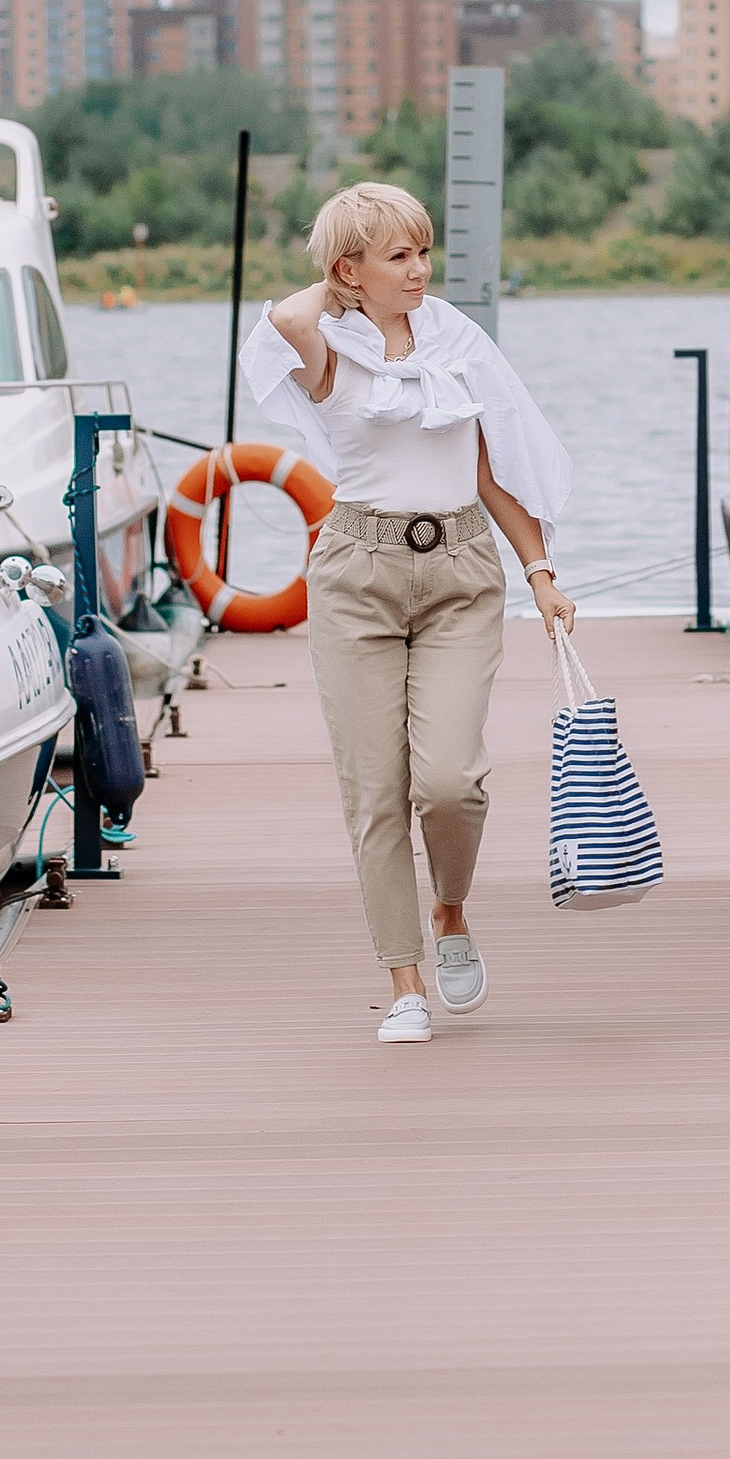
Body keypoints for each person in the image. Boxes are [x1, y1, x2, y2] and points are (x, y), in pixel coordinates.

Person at [237, 180, 575, 1045]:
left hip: (463, 568)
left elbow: (493, 464)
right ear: (351, 269)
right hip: (356, 574)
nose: (421, 269)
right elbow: (282, 321)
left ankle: (451, 912)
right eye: (399, 256)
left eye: (424, 252)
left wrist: (540, 571)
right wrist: (340, 272)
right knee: (375, 794)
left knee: (452, 781)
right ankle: (404, 981)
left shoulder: (456, 341)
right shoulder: (324, 349)